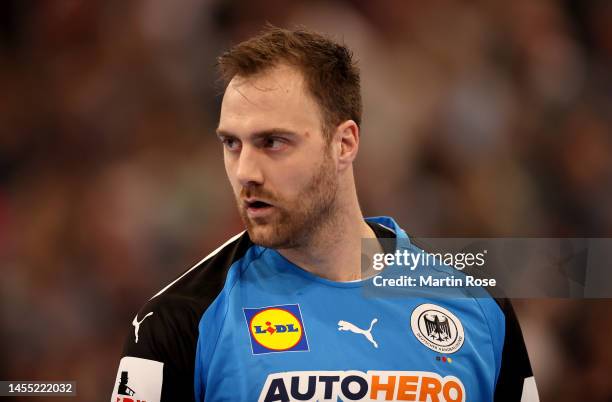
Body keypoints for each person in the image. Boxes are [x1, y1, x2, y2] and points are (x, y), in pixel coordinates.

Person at [110, 26, 539, 402]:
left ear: (344, 143)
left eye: (273, 142)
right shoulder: (180, 321)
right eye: (232, 144)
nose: (245, 172)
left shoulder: (479, 310)